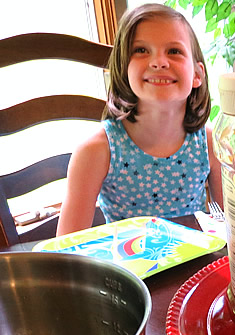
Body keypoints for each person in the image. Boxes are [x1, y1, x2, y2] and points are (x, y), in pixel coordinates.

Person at [57, 3, 223, 236]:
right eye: (141, 51)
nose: (159, 62)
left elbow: (233, 228)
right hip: (123, 272)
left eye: (174, 51)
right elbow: (67, 252)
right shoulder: (96, 151)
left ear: (197, 74)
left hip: (196, 269)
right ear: (124, 69)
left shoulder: (210, 143)